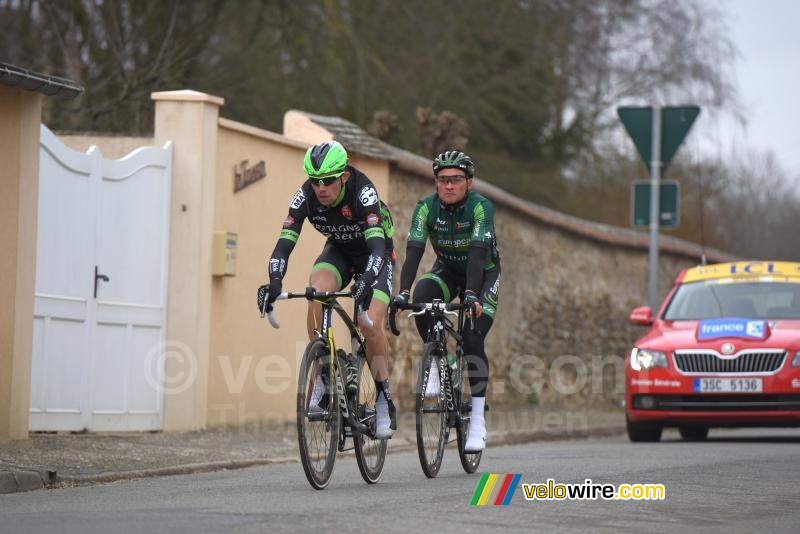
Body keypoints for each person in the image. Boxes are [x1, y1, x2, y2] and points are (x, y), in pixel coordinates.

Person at [258, 140, 397, 438]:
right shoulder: (305, 195)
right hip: (340, 251)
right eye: (315, 180)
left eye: (328, 181)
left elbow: (376, 247)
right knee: (316, 290)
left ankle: (384, 397)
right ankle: (323, 373)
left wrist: (367, 280)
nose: (321, 188)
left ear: (343, 176)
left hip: (377, 255)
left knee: (367, 321)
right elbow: (284, 244)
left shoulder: (363, 192)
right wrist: (274, 283)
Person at [392, 150, 500, 452]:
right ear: (436, 183)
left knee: (472, 335)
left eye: (455, 180)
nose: (449, 186)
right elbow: (414, 252)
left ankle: (477, 420)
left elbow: (478, 255)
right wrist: (402, 291)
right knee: (423, 297)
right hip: (448, 272)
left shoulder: (481, 208)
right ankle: (442, 361)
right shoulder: (425, 208)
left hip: (484, 275)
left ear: (469, 182)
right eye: (442, 180)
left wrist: (471, 295)